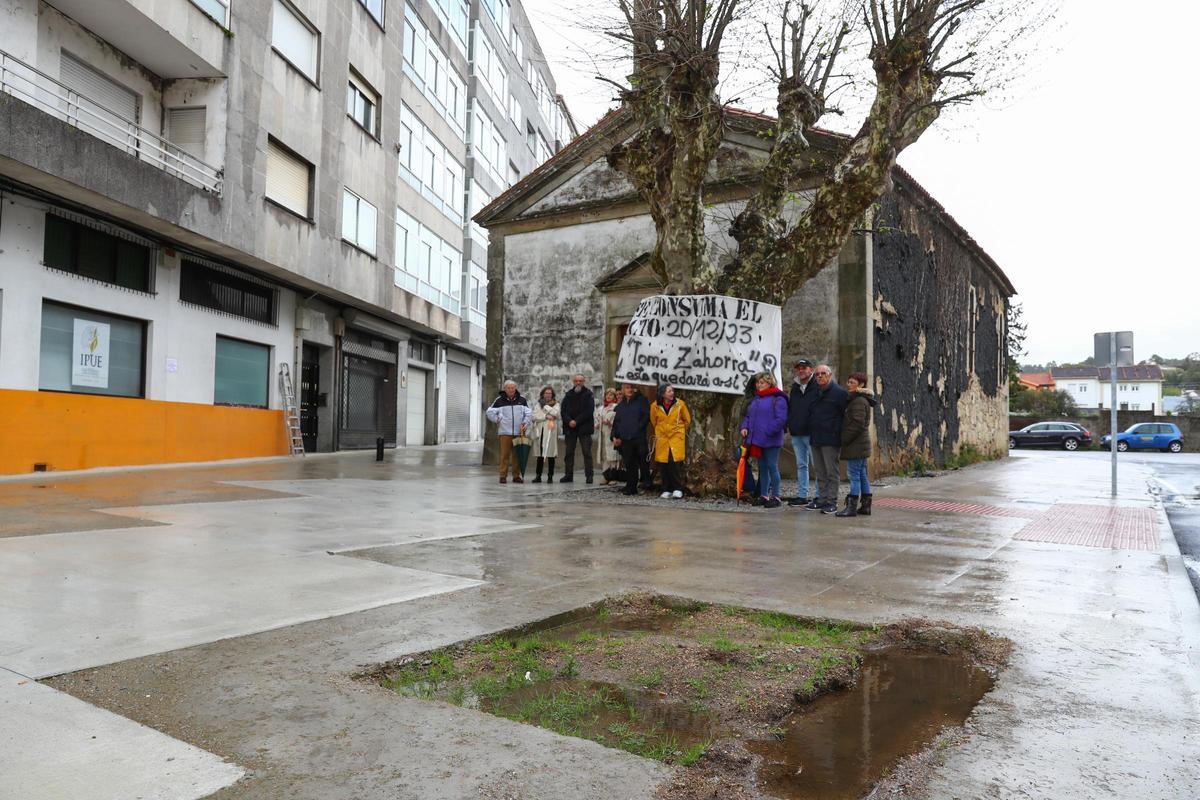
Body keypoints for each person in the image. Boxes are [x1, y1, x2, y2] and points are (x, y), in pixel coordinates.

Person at [739, 372, 790, 508]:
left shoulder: (778, 398)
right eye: (757, 383)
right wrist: (744, 427)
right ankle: (764, 495)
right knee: (762, 468)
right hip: (758, 440)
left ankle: (776, 496)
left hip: (771, 439)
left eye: (761, 383)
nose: (758, 385)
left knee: (772, 467)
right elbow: (749, 416)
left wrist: (767, 431)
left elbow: (781, 419)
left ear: (769, 383)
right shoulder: (757, 399)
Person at [805, 364, 849, 513]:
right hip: (815, 437)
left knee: (831, 472)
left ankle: (832, 501)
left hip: (831, 438)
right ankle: (822, 499)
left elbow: (846, 417)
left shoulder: (840, 393)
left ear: (830, 375)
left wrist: (837, 432)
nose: (820, 376)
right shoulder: (814, 392)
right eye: (817, 374)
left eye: (823, 373)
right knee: (819, 471)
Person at [836, 372, 877, 517]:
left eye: (852, 382)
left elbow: (857, 424)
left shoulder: (859, 400)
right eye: (848, 381)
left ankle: (852, 508)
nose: (848, 384)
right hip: (860, 443)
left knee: (853, 474)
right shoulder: (860, 399)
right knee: (861, 474)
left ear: (861, 385)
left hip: (856, 444)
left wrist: (844, 439)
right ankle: (866, 506)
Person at [786, 359, 819, 507]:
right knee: (801, 465)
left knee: (817, 465)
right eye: (799, 368)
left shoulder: (817, 386)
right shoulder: (795, 387)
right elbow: (792, 408)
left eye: (804, 368)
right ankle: (802, 495)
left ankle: (819, 495)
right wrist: (790, 424)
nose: (801, 371)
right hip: (797, 433)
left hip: (812, 432)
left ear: (811, 370)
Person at [485, 380, 531, 484]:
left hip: (518, 432)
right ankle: (503, 476)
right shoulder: (499, 400)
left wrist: (525, 423)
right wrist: (497, 419)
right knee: (504, 455)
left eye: (513, 388)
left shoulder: (522, 400)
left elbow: (528, 413)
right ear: (505, 389)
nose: (511, 390)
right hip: (505, 432)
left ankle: (516, 476)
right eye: (509, 388)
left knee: (517, 456)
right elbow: (489, 412)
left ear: (515, 389)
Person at [650, 384, 691, 499]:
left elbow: (687, 420)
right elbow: (654, 421)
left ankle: (677, 488)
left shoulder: (680, 404)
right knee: (663, 465)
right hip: (662, 438)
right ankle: (666, 489)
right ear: (662, 393)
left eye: (672, 390)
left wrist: (679, 431)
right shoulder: (655, 406)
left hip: (675, 438)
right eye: (669, 391)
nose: (672, 393)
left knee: (674, 464)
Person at [611, 383, 651, 496]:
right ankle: (631, 486)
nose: (629, 390)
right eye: (627, 388)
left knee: (643, 461)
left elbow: (646, 417)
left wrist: (637, 429)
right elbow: (617, 421)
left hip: (638, 437)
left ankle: (646, 484)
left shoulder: (641, 400)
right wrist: (615, 436)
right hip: (625, 438)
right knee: (629, 463)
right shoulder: (622, 404)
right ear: (622, 390)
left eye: (631, 387)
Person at [559, 374, 596, 484]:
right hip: (570, 429)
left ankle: (589, 476)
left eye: (580, 381)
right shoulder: (568, 395)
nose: (578, 383)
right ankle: (568, 475)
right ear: (573, 382)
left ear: (584, 382)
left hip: (584, 428)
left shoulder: (589, 395)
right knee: (569, 453)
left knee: (587, 453)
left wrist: (576, 421)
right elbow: (563, 411)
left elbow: (589, 411)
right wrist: (569, 421)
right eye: (576, 381)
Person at [529, 385, 561, 484]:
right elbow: (534, 416)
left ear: (552, 395)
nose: (548, 395)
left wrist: (546, 407)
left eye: (549, 393)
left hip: (550, 432)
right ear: (543, 394)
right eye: (546, 393)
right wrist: (546, 416)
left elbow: (557, 414)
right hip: (540, 431)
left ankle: (550, 476)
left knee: (550, 455)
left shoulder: (556, 404)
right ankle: (538, 475)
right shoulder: (538, 404)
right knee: (540, 455)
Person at [594, 388, 623, 483]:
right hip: (602, 434)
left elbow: (619, 421)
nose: (608, 396)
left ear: (614, 397)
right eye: (607, 394)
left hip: (612, 433)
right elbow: (596, 419)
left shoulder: (616, 407)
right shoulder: (601, 408)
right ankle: (606, 476)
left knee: (613, 455)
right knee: (604, 455)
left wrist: (610, 423)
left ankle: (614, 476)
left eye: (611, 395)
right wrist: (598, 424)